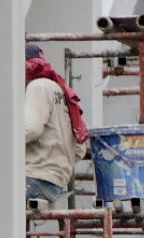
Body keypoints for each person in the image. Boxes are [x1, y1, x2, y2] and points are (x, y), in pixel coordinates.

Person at [24, 43, 89, 205]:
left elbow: (31, 129)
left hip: (35, 179)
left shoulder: (37, 87)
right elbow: (80, 149)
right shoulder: (60, 90)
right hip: (55, 182)